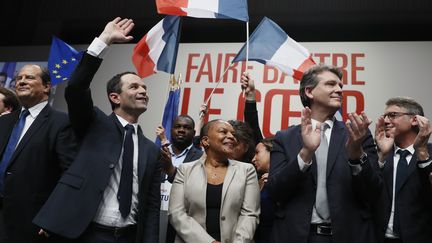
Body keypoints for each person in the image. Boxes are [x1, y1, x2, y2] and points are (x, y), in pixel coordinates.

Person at [33, 17, 161, 243]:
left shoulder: (151, 150)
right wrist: (103, 41)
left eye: (144, 87)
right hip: (86, 233)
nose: (143, 91)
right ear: (115, 97)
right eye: (134, 86)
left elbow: (151, 207)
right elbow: (75, 88)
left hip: (128, 237)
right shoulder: (94, 123)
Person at [267, 64, 382, 243]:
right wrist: (305, 153)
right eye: (330, 84)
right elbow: (275, 192)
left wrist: (355, 156)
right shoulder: (285, 137)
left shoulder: (358, 135)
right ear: (309, 92)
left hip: (349, 236)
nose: (339, 90)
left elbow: (374, 193)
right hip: (295, 236)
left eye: (340, 86)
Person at [0, 64, 76, 243]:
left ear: (47, 87)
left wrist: (54, 217)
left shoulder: (62, 122)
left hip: (32, 221)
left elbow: (69, 174)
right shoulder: (5, 122)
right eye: (19, 78)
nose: (22, 81)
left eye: (30, 77)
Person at [168, 119, 260, 243]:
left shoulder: (247, 171)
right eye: (224, 132)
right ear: (206, 141)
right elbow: (176, 213)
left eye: (233, 134)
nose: (231, 137)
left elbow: (250, 214)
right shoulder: (185, 170)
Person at [373, 97, 432, 243]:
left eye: (393, 115)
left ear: (414, 120)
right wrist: (381, 156)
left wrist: (422, 152)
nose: (386, 121)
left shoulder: (429, 153)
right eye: (385, 116)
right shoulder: (380, 153)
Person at [155, 115, 203, 243]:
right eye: (178, 126)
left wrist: (171, 169)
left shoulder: (201, 158)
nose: (181, 130)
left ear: (194, 133)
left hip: (183, 217)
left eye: (186, 128)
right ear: (171, 130)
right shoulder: (156, 152)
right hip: (155, 212)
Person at [251, 137, 274, 243]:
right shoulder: (260, 181)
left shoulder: (288, 181)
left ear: (271, 151)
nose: (253, 159)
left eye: (257, 153)